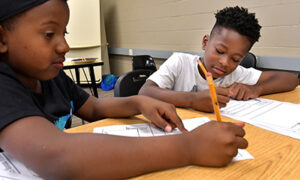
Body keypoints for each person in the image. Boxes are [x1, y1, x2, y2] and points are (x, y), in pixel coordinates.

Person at [0, 0, 248, 179]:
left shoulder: (51, 77)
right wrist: (189, 147)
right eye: (49, 34)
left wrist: (139, 103)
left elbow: (94, 107)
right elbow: (57, 158)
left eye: (64, 33)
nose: (64, 46)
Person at [139, 6, 299, 113]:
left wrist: (256, 89)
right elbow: (145, 92)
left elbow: (291, 80)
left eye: (236, 59)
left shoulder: (236, 74)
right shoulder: (180, 62)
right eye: (220, 51)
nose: (225, 62)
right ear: (205, 42)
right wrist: (192, 100)